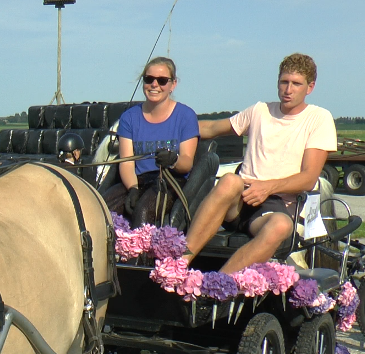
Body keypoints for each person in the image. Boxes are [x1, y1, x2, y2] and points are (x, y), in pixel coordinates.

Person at [182, 53, 337, 274]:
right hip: (240, 201)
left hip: (274, 208)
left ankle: (219, 284)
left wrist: (267, 187)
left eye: (296, 84)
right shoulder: (259, 110)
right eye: (284, 82)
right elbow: (212, 129)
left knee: (282, 225)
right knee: (229, 181)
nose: (288, 89)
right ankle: (179, 265)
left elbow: (309, 177)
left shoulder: (319, 119)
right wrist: (171, 126)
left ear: (310, 87)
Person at [102, 57, 199, 220]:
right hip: (138, 180)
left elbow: (187, 162)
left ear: (172, 84)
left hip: (169, 182)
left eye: (162, 81)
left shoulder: (186, 116)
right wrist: (133, 188)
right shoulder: (129, 118)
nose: (154, 85)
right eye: (149, 79)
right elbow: (126, 162)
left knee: (143, 212)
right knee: (101, 210)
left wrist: (173, 160)